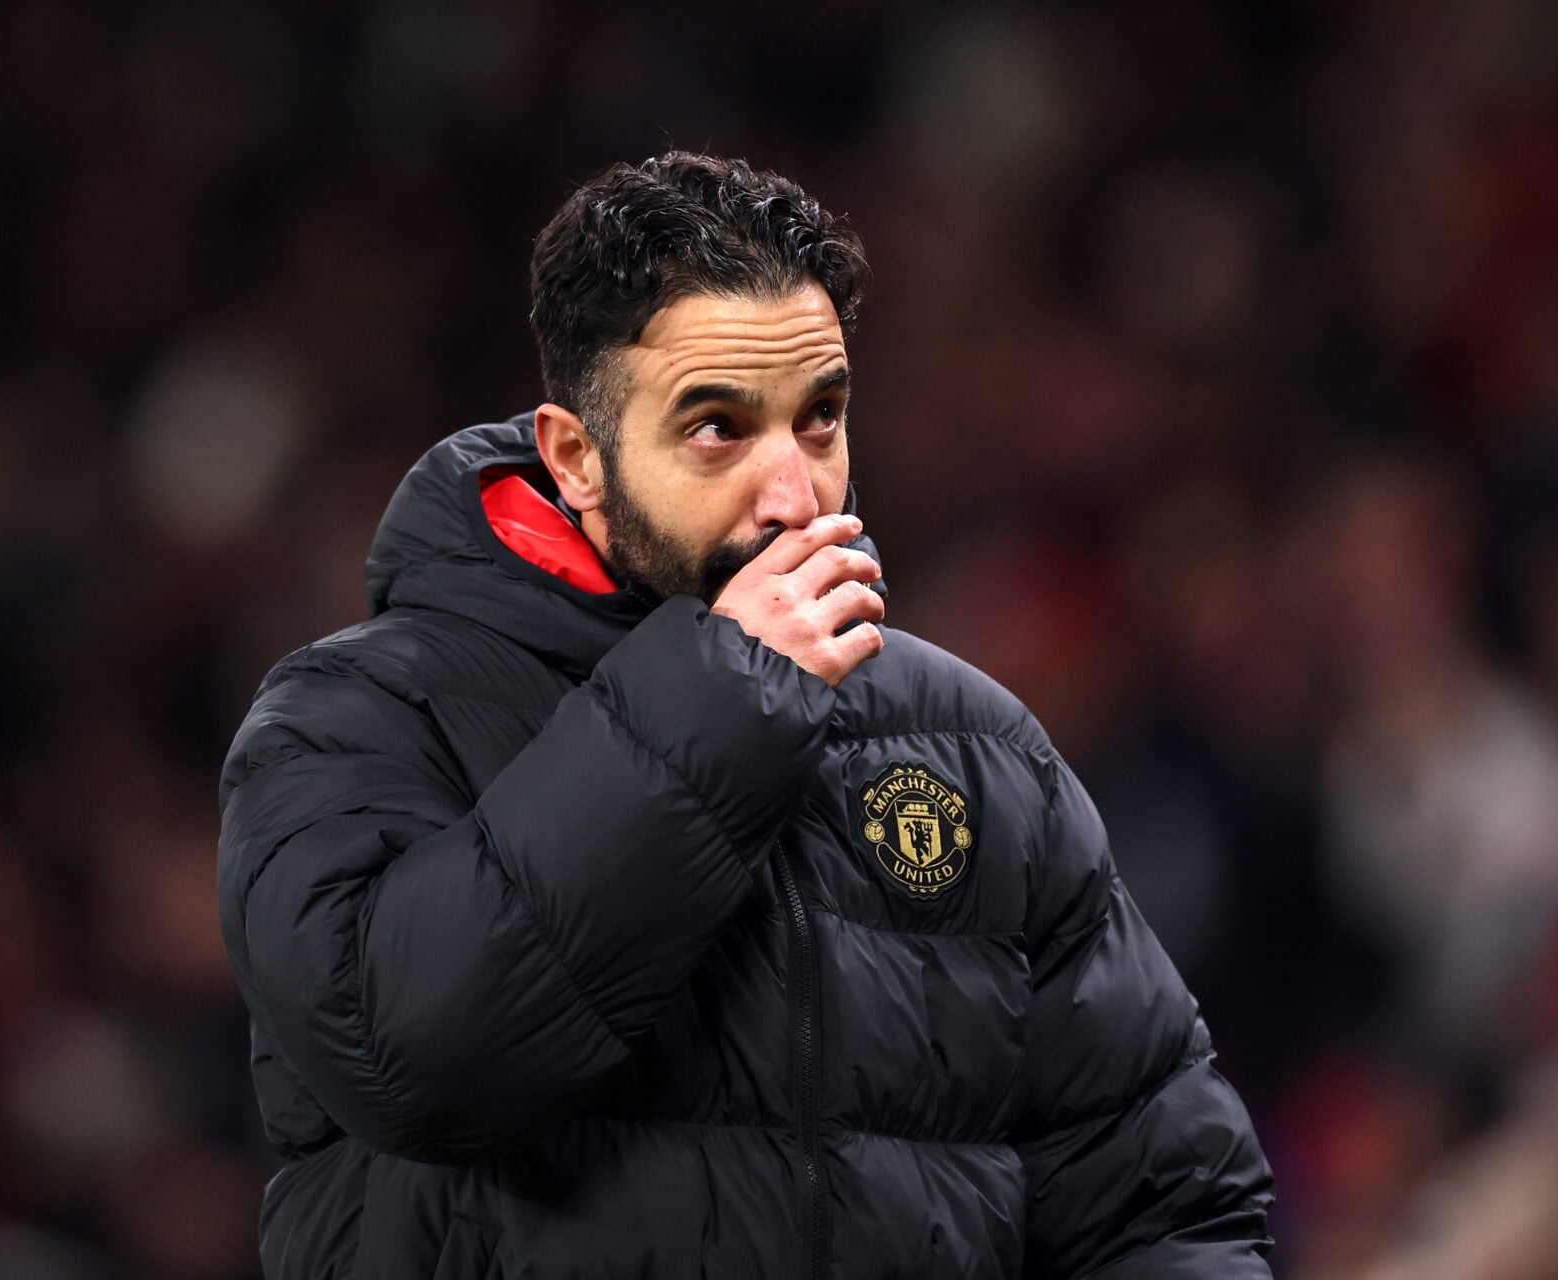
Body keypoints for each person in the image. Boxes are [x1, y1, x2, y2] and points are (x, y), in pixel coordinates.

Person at [216, 151, 1275, 1278]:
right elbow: (409, 1062)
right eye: (718, 427)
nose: (795, 495)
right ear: (576, 458)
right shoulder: (355, 718)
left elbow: (1165, 1206)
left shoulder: (976, 748)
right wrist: (722, 695)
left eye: (820, 419)